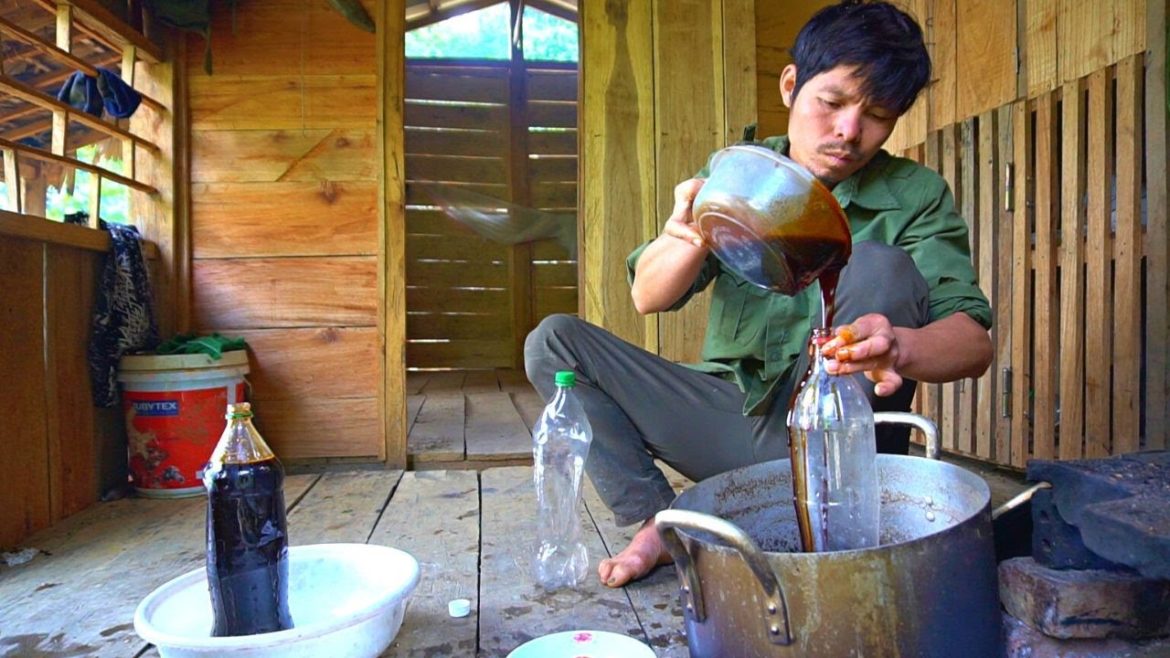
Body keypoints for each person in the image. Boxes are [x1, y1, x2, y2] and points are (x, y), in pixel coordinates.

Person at [525, 0, 993, 589]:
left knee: (878, 265)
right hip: (728, 422)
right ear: (791, 85)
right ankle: (659, 522)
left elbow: (973, 345)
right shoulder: (742, 175)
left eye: (877, 115)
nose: (849, 131)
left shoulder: (915, 194)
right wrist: (697, 230)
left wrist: (896, 347)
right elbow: (648, 295)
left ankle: (771, 515)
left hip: (840, 453)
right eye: (832, 103)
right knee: (555, 343)